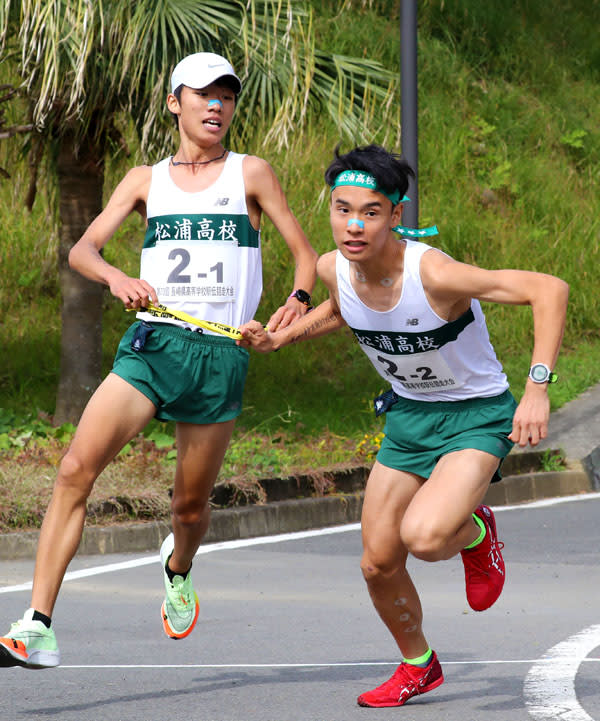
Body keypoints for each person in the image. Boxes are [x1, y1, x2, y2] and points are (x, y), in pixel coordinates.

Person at [0, 52, 317, 669]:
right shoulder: (145, 180)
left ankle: (178, 566)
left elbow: (305, 257)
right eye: (203, 94)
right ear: (175, 103)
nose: (217, 105)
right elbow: (84, 250)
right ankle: (37, 625)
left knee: (189, 509)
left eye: (226, 95)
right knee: (73, 470)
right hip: (154, 342)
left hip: (221, 353)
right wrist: (118, 277)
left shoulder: (252, 173)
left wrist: (294, 304)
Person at [237, 144, 568, 708]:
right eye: (343, 209)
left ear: (396, 215)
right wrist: (280, 337)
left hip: (474, 416)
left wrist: (537, 389)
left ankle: (477, 534)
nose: (353, 225)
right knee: (377, 561)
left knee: (425, 537)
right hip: (409, 415)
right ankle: (419, 664)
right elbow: (343, 310)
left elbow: (548, 289)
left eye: (370, 212)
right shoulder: (330, 268)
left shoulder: (434, 272)